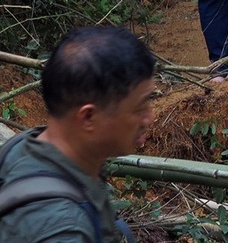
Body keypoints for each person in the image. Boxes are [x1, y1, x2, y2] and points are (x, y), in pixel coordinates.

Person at [0, 26, 156, 242]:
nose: (149, 118)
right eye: (140, 107)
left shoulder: (21, 148)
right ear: (88, 117)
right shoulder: (60, 228)